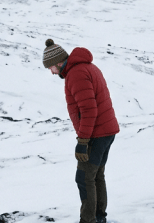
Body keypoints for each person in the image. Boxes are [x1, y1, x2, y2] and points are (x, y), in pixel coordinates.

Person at [42, 39, 120, 223]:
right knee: (96, 176)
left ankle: (89, 220)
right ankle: (99, 217)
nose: (52, 73)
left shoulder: (76, 74)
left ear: (59, 63)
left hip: (96, 134)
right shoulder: (88, 67)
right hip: (106, 131)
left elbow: (88, 110)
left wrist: (83, 141)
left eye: (50, 67)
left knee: (84, 178)